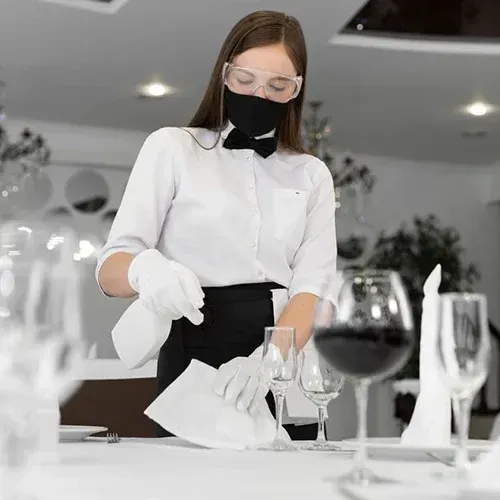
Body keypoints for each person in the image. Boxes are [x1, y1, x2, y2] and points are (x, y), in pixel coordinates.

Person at [96, 10, 337, 440]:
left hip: (280, 351)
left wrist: (271, 361)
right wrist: (143, 270)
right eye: (246, 79)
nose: (259, 94)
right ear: (224, 74)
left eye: (278, 86)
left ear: (296, 90)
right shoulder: (172, 148)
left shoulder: (312, 173)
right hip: (193, 341)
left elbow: (311, 291)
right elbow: (111, 269)